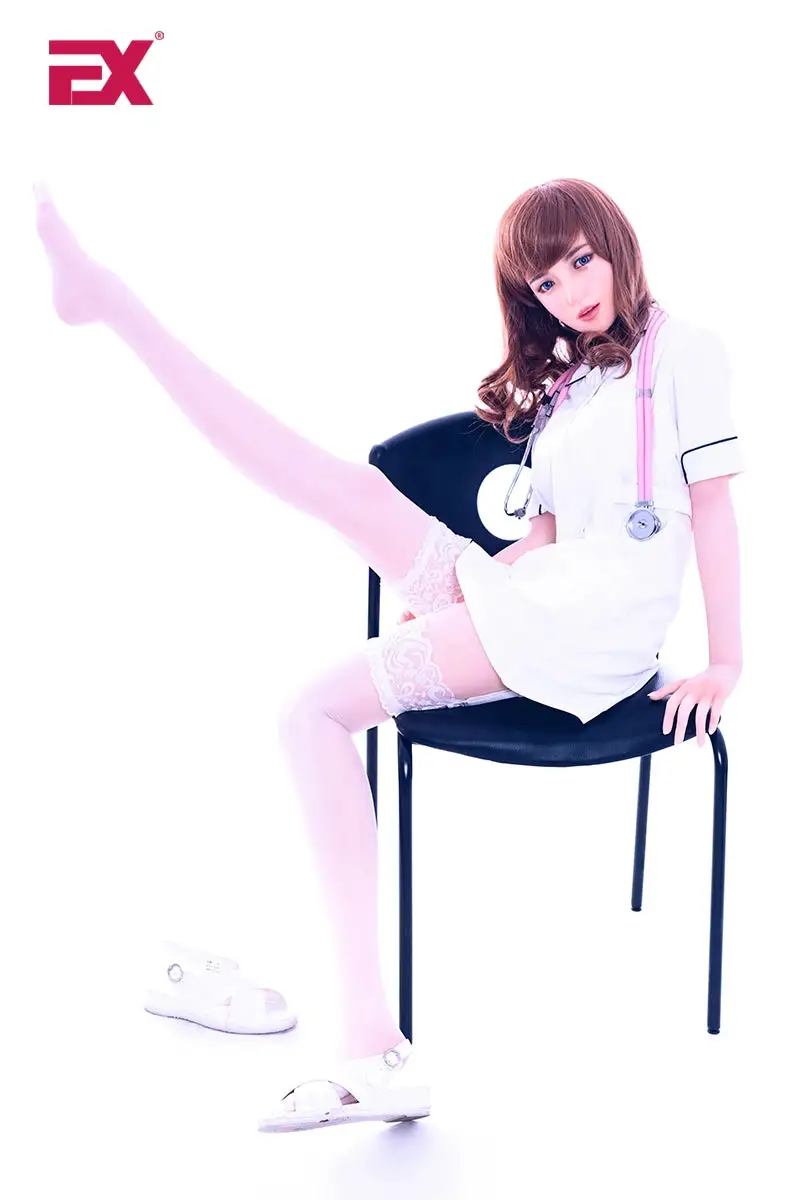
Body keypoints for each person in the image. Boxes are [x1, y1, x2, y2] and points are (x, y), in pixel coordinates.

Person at [33, 177, 743, 1133]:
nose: (571, 291)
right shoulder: (573, 383)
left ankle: (370, 1049)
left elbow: (712, 512)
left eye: (581, 261)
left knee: (309, 714)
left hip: (592, 633)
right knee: (355, 493)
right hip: (540, 599)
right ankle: (115, 305)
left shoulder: (687, 351)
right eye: (546, 282)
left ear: (615, 242)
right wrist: (456, 605)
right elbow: (545, 542)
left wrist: (725, 663)